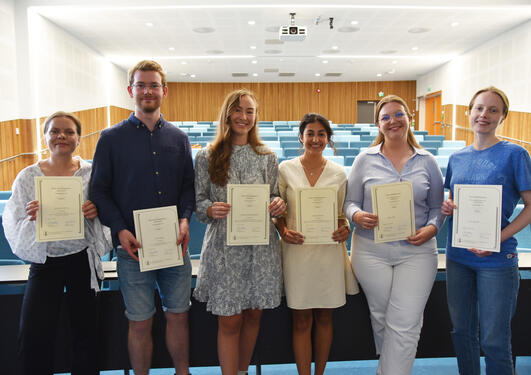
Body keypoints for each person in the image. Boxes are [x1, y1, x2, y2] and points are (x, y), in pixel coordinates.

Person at [89, 60, 195, 375]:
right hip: (132, 248)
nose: (148, 91)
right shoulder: (110, 138)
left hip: (174, 248)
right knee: (139, 322)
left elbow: (188, 188)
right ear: (130, 90)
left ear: (164, 90)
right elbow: (99, 192)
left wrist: (185, 219)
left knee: (179, 316)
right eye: (141, 85)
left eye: (154, 85)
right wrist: (120, 230)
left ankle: (183, 372)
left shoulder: (179, 138)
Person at [2, 111, 110, 375]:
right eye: (54, 131)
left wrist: (96, 212)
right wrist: (30, 217)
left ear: (79, 138)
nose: (61, 136)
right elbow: (12, 220)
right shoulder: (28, 176)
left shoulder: (91, 173)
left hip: (80, 260)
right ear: (45, 137)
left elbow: (109, 211)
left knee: (85, 335)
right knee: (34, 334)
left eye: (69, 132)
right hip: (45, 261)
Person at [343, 95, 444, 375]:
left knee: (406, 319)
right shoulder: (365, 159)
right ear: (378, 124)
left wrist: (432, 228)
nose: (393, 121)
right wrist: (356, 215)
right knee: (382, 315)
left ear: (409, 118)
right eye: (385, 117)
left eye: (398, 115)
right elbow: (349, 202)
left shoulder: (428, 161)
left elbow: (438, 208)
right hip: (370, 251)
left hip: (417, 252)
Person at [193, 89, 285, 375]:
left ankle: (242, 371)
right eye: (238, 110)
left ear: (256, 117)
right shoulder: (207, 156)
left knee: (253, 313)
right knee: (229, 320)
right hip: (225, 248)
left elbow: (274, 196)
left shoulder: (267, 156)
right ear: (227, 113)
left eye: (249, 111)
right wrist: (211, 209)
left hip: (260, 247)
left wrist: (277, 204)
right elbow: (198, 203)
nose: (243, 117)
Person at [441, 86, 531, 375]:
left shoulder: (515, 154)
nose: (484, 115)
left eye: (493, 110)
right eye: (479, 108)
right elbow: (452, 200)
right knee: (462, 332)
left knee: (494, 339)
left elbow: (530, 206)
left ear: (503, 116)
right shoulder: (457, 158)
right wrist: (448, 206)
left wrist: (497, 238)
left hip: (497, 259)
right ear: (469, 112)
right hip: (459, 257)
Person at [274, 113, 359, 375]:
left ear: (328, 139)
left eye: (321, 134)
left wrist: (345, 228)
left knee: (324, 316)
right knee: (300, 319)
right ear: (301, 137)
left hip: (328, 253)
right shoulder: (285, 169)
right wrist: (283, 230)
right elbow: (278, 210)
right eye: (310, 133)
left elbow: (342, 214)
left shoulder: (339, 173)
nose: (315, 139)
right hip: (297, 252)